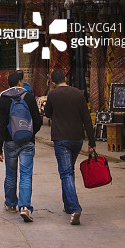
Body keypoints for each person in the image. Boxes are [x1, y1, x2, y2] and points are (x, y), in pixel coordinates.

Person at [44, 69, 96, 226]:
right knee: (68, 171)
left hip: (61, 139)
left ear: (53, 82)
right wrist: (92, 142)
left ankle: (75, 208)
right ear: (65, 78)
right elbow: (87, 119)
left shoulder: (52, 95)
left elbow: (47, 113)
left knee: (66, 173)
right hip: (77, 139)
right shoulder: (78, 94)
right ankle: (67, 205)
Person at [0, 70, 42, 222]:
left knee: (11, 174)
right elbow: (38, 120)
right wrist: (30, 133)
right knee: (26, 174)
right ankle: (25, 207)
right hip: (27, 142)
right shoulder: (28, 97)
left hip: (10, 142)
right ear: (20, 82)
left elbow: (0, 125)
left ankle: (10, 204)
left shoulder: (3, 99)